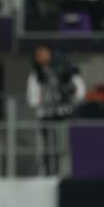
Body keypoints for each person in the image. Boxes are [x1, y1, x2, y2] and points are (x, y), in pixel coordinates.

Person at [26, 44, 85, 174]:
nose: (42, 57)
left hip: (65, 114)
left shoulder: (67, 71)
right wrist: (41, 96)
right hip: (46, 116)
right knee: (49, 147)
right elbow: (32, 100)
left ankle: (70, 171)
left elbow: (80, 92)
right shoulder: (35, 75)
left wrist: (70, 92)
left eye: (44, 53)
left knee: (67, 145)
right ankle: (49, 171)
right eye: (39, 55)